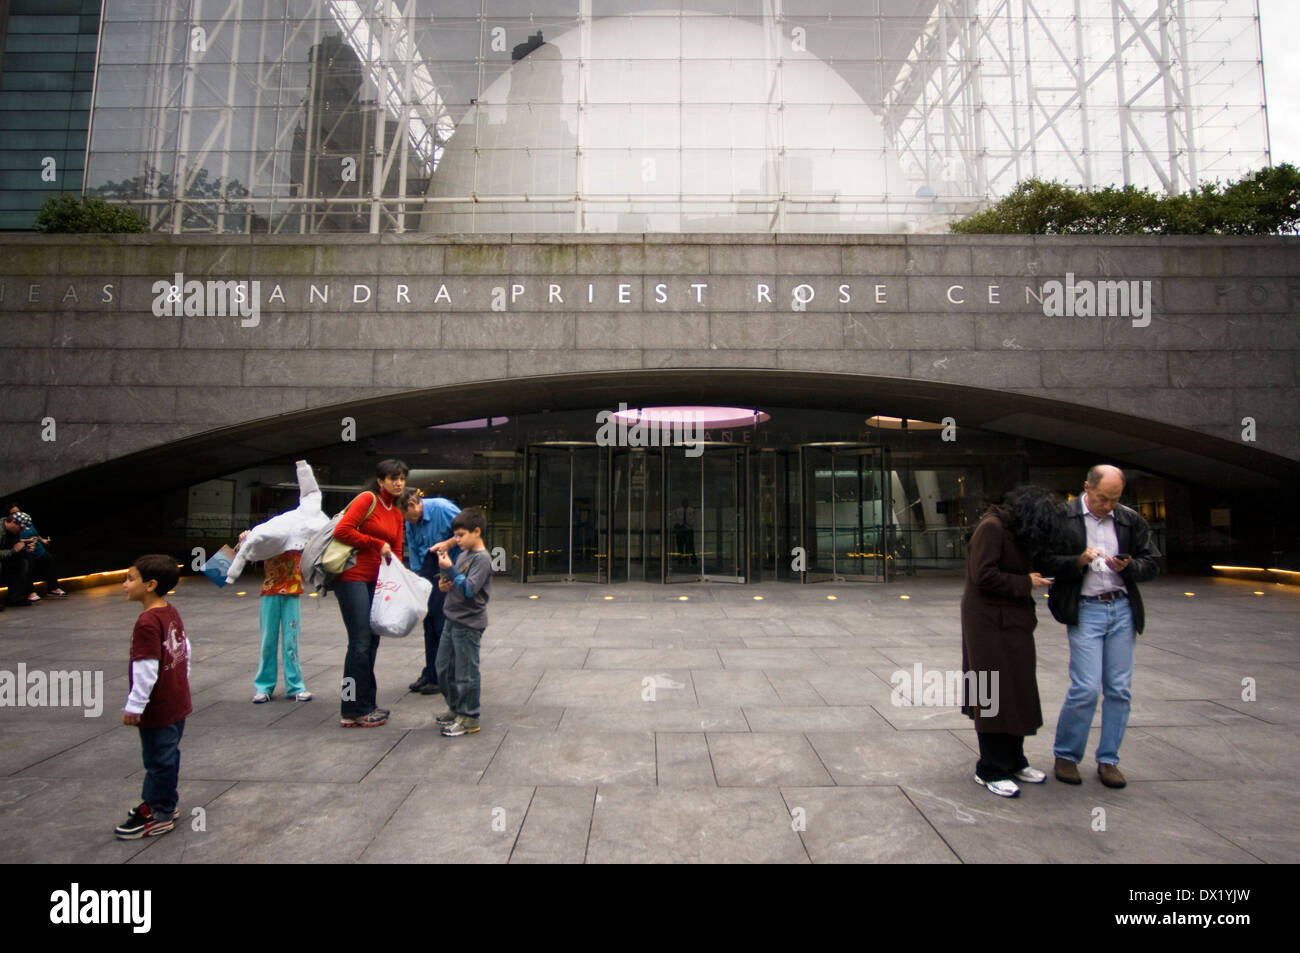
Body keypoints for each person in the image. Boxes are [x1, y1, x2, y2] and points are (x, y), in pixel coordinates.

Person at [1038, 465, 1161, 789]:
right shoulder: (1063, 517)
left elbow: (1153, 562)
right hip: (1086, 608)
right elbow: (1045, 560)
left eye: (1114, 500)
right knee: (1086, 687)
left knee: (1119, 688)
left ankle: (1109, 760)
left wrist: (1130, 566)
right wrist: (1077, 561)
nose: (1108, 506)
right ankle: (1067, 754)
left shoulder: (1129, 519)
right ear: (1087, 489)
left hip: (1121, 606)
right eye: (1103, 498)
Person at [961, 485, 1059, 798]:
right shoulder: (991, 528)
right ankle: (990, 768)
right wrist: (1025, 582)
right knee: (990, 692)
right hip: (988, 624)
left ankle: (1014, 760)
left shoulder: (1010, 529)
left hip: (1011, 620)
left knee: (1017, 689)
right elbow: (983, 575)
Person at [235, 461, 327, 704]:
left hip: (292, 593)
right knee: (268, 642)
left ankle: (295, 686)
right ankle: (264, 686)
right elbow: (242, 553)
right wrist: (245, 538)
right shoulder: (268, 537)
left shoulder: (301, 537)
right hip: (271, 594)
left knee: (290, 641)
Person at [115, 554, 192, 839]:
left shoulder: (147, 622)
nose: (124, 584)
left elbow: (146, 668)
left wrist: (135, 705)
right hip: (176, 700)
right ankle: (162, 803)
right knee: (167, 756)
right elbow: (185, 649)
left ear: (150, 585)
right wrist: (182, 680)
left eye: (130, 578)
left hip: (158, 706)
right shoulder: (169, 611)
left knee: (158, 759)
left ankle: (160, 812)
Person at [333, 459, 407, 728]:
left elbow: (396, 551)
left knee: (371, 643)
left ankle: (366, 704)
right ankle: (352, 709)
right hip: (352, 577)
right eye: (393, 478)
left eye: (402, 478)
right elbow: (343, 531)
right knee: (360, 641)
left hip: (377, 582)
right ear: (380, 480)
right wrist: (377, 544)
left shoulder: (397, 514)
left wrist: (398, 581)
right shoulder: (367, 499)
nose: (398, 483)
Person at [432, 508, 492, 737]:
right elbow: (456, 582)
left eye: (460, 535)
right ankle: (456, 708)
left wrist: (451, 570)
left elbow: (469, 589)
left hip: (469, 623)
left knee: (466, 672)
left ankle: (469, 717)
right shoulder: (464, 552)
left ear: (476, 532)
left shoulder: (483, 559)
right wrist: (444, 581)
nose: (456, 540)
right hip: (452, 617)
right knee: (444, 667)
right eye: (455, 535)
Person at [399, 488, 461, 696]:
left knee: (441, 623)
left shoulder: (442, 509)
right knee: (428, 621)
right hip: (428, 569)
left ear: (412, 506)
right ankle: (431, 672)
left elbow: (469, 531)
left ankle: (443, 675)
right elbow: (415, 553)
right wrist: (417, 583)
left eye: (405, 515)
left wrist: (448, 543)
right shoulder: (410, 522)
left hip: (451, 567)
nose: (406, 521)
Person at [4, 516, 66, 600]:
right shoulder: (7, 530)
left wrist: (39, 540)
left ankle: (53, 588)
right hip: (18, 550)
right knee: (27, 561)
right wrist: (20, 546)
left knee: (48, 558)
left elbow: (35, 534)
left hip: (33, 547)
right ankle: (29, 592)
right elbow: (12, 543)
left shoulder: (26, 522)